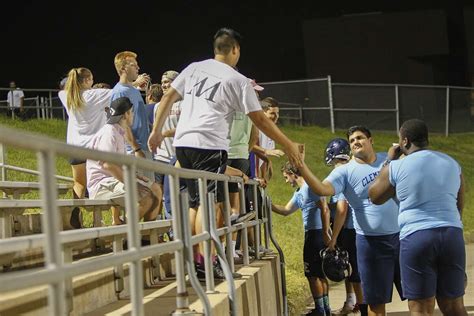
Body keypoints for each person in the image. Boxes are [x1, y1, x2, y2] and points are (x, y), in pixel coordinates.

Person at [148, 27, 303, 278]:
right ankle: (203, 261)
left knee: (193, 203)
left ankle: (191, 259)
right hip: (208, 144)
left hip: (184, 143)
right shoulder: (237, 80)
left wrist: (156, 131)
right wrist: (288, 145)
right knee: (207, 204)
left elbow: (167, 97)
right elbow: (260, 120)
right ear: (235, 49)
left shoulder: (194, 67)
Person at [298, 125, 403, 316]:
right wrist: (302, 168)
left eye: (360, 138)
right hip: (370, 242)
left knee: (418, 297)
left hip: (402, 237)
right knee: (375, 303)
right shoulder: (344, 172)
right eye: (352, 140)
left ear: (370, 141)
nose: (355, 142)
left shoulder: (389, 159)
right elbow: (322, 189)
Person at [368, 119, 467, 316]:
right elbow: (459, 202)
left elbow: (375, 196)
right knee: (454, 306)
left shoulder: (396, 166)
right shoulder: (452, 163)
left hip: (417, 237)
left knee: (420, 308)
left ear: (404, 142)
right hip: (451, 234)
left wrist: (389, 160)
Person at [86, 97, 161, 224]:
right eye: (131, 112)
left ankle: (147, 237)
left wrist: (134, 177)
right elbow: (108, 164)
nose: (132, 115)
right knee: (147, 196)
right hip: (102, 184)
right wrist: (133, 183)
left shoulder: (118, 132)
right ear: (126, 114)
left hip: (112, 180)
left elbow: (117, 166)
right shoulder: (109, 132)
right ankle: (125, 234)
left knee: (156, 189)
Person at [271, 162, 330, 316]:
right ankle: (325, 309)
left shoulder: (311, 187)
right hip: (312, 234)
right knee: (319, 273)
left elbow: (324, 208)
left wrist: (325, 231)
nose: (286, 181)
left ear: (293, 174)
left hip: (315, 234)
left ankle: (320, 310)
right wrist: (267, 204)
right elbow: (285, 210)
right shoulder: (299, 193)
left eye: (286, 177)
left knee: (312, 274)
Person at [58, 67, 113, 228]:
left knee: (79, 183)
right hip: (93, 148)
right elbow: (118, 91)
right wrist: (136, 84)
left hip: (74, 147)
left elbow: (65, 87)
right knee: (99, 183)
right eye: (91, 79)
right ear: (87, 80)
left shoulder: (65, 96)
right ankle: (101, 218)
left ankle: (75, 210)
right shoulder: (95, 94)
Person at [324, 138, 366, 316]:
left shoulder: (341, 173)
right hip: (354, 228)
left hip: (348, 229)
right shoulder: (352, 168)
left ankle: (363, 307)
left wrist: (333, 237)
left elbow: (342, 208)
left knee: (353, 271)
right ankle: (352, 301)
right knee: (349, 268)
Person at [111, 51, 154, 181]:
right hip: (133, 151)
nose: (138, 68)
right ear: (123, 68)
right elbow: (120, 124)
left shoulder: (133, 90)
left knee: (151, 194)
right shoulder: (119, 92)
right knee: (141, 195)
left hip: (143, 148)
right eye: (134, 65)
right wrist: (136, 148)